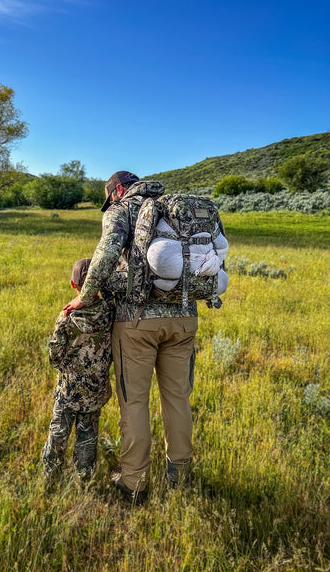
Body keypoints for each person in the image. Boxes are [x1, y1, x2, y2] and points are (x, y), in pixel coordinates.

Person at [63, 171, 198, 506]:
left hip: (136, 322)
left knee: (134, 402)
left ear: (118, 190)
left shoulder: (123, 208)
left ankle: (133, 482)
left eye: (110, 196)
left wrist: (86, 295)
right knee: (178, 399)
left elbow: (106, 252)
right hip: (185, 318)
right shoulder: (174, 207)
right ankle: (180, 477)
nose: (111, 201)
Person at [42, 258, 113, 481]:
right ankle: (85, 477)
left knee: (58, 434)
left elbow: (54, 357)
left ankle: (50, 476)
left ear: (74, 285)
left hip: (68, 392)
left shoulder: (67, 317)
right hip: (95, 392)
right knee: (88, 435)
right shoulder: (110, 312)